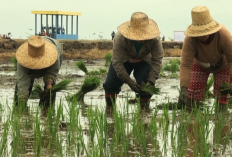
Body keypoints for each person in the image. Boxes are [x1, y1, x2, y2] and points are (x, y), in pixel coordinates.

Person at [103, 12, 163, 109]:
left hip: (144, 59)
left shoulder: (155, 39)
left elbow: (157, 60)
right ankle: (110, 110)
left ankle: (144, 111)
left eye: (144, 36)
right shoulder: (120, 37)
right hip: (124, 59)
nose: (141, 39)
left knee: (145, 84)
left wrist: (151, 81)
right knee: (111, 84)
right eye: (137, 36)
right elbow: (117, 61)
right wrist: (129, 81)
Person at [179, 6, 232, 111]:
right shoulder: (190, 40)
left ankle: (221, 117)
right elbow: (185, 65)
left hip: (222, 65)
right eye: (198, 33)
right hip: (199, 65)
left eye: (204, 32)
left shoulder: (224, 35)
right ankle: (192, 120)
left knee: (222, 94)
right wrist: (184, 88)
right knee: (192, 95)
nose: (202, 36)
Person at [14, 35, 63, 107]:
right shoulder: (22, 61)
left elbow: (51, 73)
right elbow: (22, 83)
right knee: (21, 93)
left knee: (50, 90)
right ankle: (18, 106)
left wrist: (48, 85)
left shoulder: (54, 56)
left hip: (54, 51)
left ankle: (47, 108)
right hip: (29, 64)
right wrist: (22, 104)